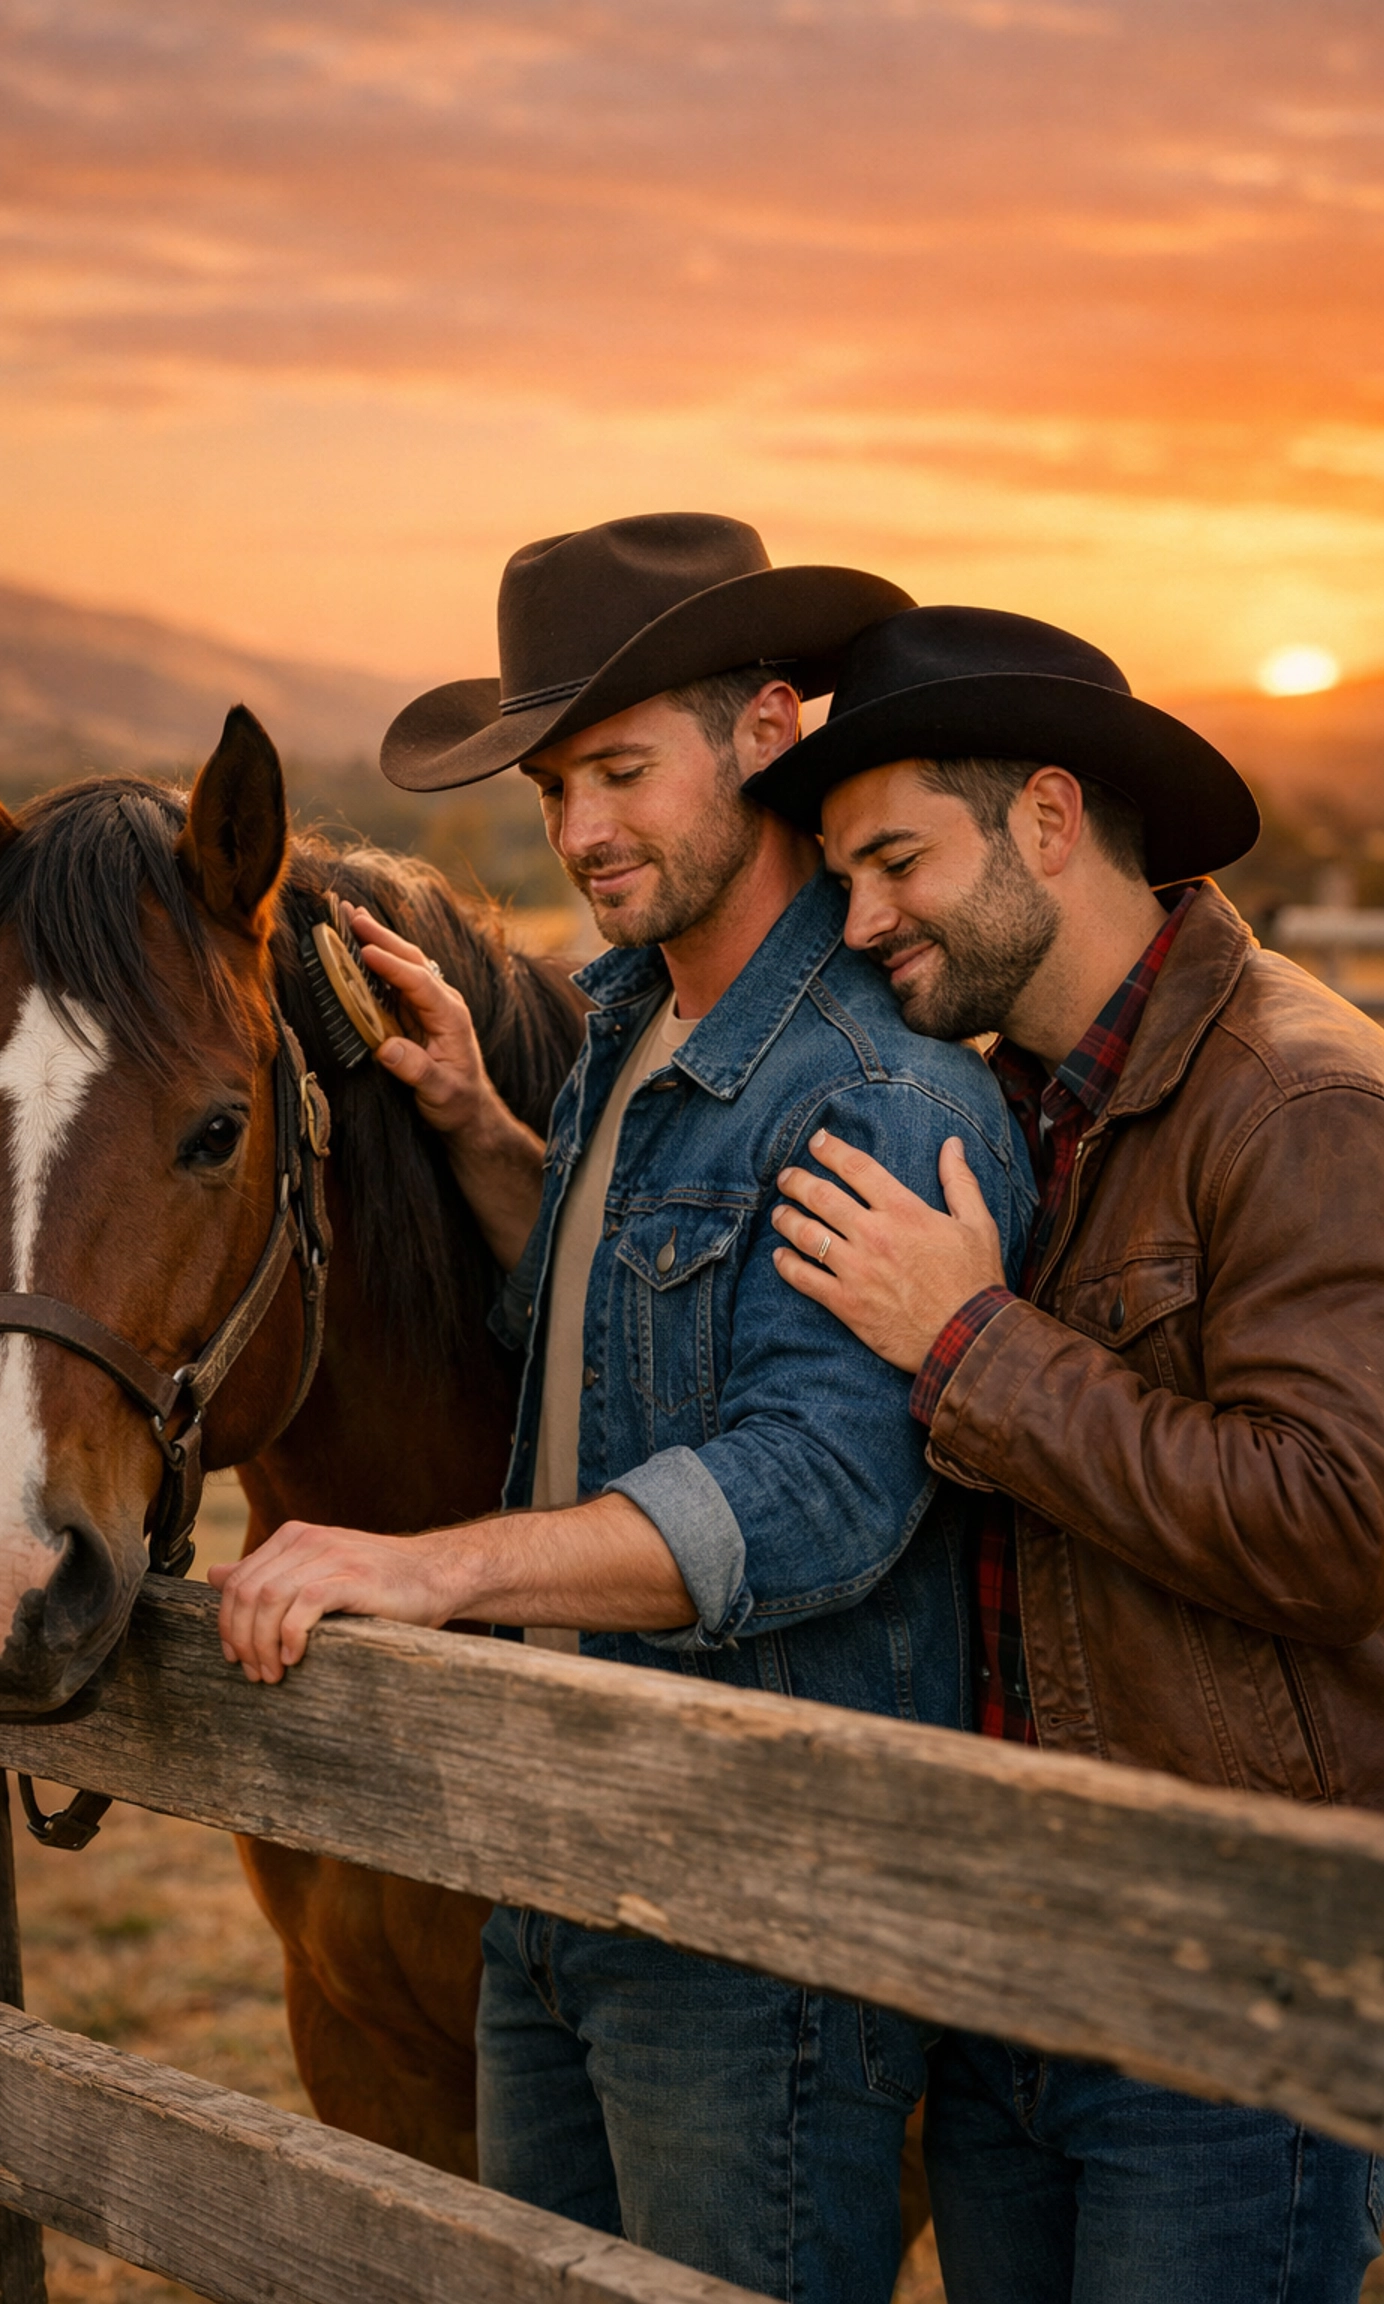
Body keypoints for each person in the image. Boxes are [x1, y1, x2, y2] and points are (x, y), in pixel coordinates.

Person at [210, 515, 1035, 2302]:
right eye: (558, 780)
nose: (580, 832)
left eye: (623, 771)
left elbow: (817, 1480)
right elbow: (618, 1334)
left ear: (765, 732)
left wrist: (435, 1571)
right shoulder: (624, 1039)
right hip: (554, 1855)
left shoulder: (878, 1089)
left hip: (748, 1907)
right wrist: (487, 1137)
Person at [749, 603, 1384, 2304]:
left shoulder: (1304, 1101)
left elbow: (1339, 1527)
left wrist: (976, 1346)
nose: (860, 916)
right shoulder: (1006, 1100)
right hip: (1011, 1965)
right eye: (841, 874)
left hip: (1226, 1996)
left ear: (1045, 818)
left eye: (895, 861)